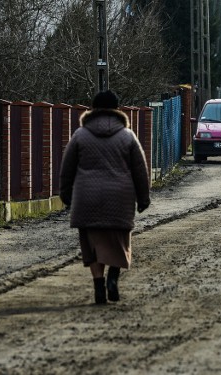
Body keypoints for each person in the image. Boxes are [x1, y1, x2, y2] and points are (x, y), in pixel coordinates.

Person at [60, 90, 151, 305]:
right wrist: (143, 198)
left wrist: (66, 195)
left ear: (92, 109)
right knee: (118, 241)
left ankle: (98, 285)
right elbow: (140, 170)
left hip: (87, 198)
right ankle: (113, 279)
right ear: (117, 109)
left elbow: (67, 169)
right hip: (119, 198)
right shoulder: (127, 136)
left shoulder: (80, 135)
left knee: (92, 244)